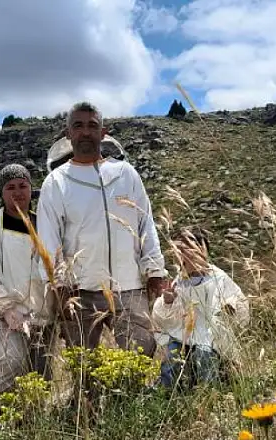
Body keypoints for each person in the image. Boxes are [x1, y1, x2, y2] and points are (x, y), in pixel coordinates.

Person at [36, 101, 169, 355]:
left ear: (103, 132)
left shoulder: (126, 174)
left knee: (139, 358)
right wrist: (61, 289)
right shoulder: (56, 182)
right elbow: (49, 240)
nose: (85, 132)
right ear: (68, 134)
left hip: (129, 287)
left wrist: (155, 271)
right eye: (78, 126)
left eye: (92, 126)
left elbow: (145, 223)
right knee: (85, 370)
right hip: (80, 292)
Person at [0, 164, 56, 426]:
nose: (17, 192)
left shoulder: (44, 225)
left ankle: (25, 430)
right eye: (10, 187)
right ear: (1, 192)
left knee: (40, 377)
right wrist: (6, 309)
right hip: (0, 315)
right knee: (11, 360)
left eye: (22, 185)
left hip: (40, 318)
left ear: (31, 189)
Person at [152, 227, 250, 389]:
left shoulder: (218, 278)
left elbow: (237, 300)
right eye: (180, 252)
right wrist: (168, 301)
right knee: (171, 359)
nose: (184, 257)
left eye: (188, 250)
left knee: (204, 356)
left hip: (211, 336)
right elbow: (165, 318)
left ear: (202, 251)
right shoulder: (178, 283)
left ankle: (209, 394)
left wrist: (230, 307)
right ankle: (168, 394)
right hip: (183, 336)